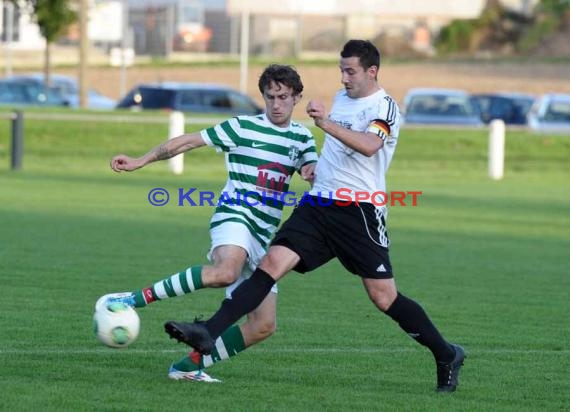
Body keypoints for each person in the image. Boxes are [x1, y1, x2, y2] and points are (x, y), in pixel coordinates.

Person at [164, 40, 466, 392]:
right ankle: (208, 331)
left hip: (359, 212)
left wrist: (324, 123)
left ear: (372, 71)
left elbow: (370, 146)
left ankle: (446, 354)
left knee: (383, 297)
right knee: (270, 265)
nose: (344, 78)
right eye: (341, 71)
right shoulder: (343, 99)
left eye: (350, 71)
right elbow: (337, 155)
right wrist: (314, 168)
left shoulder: (385, 107)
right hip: (318, 204)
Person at [98, 64, 318, 382]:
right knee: (226, 270)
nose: (276, 104)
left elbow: (312, 169)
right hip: (235, 216)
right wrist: (141, 160)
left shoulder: (302, 137)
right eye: (270, 96)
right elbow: (187, 142)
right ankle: (132, 299)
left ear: (296, 97)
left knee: (263, 325)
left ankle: (187, 367)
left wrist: (315, 174)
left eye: (283, 97)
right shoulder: (242, 127)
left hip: (265, 235)